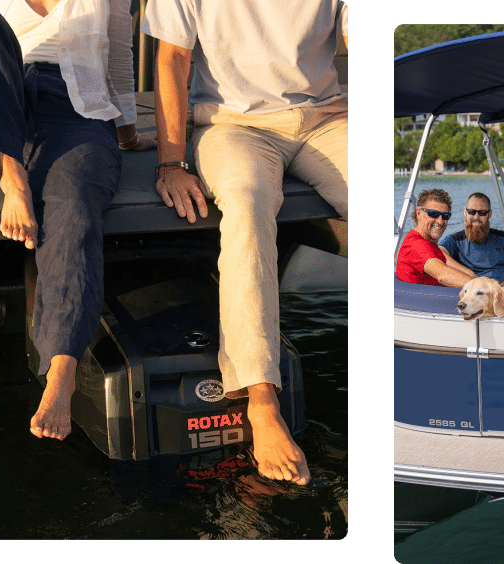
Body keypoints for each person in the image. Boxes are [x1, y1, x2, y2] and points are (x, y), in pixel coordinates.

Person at [141, 0, 349, 485]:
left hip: (327, 118)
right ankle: (261, 399)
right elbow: (171, 60)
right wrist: (171, 163)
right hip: (232, 124)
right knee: (246, 203)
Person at [0, 0, 153, 442]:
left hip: (75, 109)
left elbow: (120, 58)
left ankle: (61, 369)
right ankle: (14, 176)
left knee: (74, 203)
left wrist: (127, 133)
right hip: (2, 102)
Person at [396, 189, 475, 287]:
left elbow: (468, 273)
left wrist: (483, 282)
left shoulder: (430, 245)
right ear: (418, 213)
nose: (440, 221)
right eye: (433, 214)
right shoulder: (415, 245)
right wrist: (489, 288)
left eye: (445, 216)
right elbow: (443, 275)